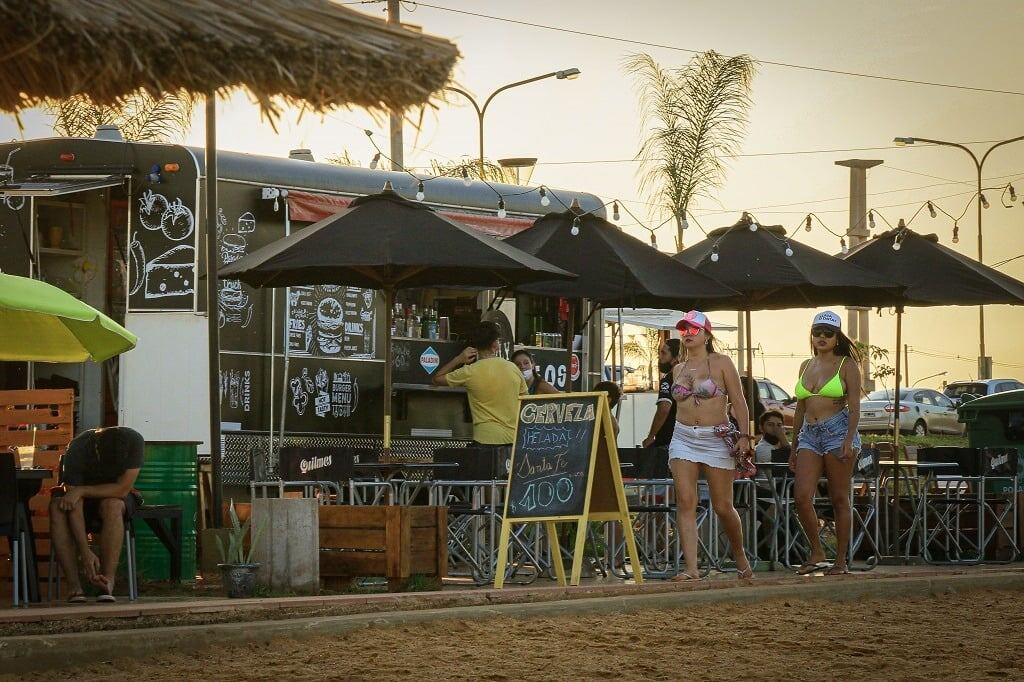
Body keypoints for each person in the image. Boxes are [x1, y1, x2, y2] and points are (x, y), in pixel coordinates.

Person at [668, 310, 754, 581]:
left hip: (715, 436)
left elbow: (739, 401)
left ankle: (739, 555)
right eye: (684, 329)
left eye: (694, 329)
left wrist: (743, 435)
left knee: (722, 505)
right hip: (683, 435)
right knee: (685, 501)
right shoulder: (677, 369)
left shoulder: (721, 362)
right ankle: (691, 568)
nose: (688, 334)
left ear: (707, 334)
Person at [790, 310, 863, 576]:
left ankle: (841, 560)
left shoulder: (846, 365)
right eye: (817, 332)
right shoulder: (805, 365)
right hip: (809, 433)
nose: (821, 337)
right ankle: (817, 552)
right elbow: (799, 408)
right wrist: (794, 444)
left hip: (838, 430)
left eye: (827, 333)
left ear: (837, 337)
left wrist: (848, 439)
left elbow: (855, 406)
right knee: (801, 496)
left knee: (839, 497)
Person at [50, 426, 144, 603]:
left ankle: (107, 581)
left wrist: (82, 490)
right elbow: (73, 502)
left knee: (113, 505)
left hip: (114, 495)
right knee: (57, 507)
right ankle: (74, 586)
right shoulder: (78, 448)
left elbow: (122, 489)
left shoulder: (135, 441)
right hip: (80, 500)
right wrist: (85, 551)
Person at [434, 321, 527, 445]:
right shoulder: (513, 368)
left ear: (475, 346)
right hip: (513, 439)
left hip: (484, 439)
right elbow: (525, 400)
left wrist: (458, 359)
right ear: (495, 344)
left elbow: (437, 379)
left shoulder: (469, 372)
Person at [642, 339, 681, 451]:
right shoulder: (690, 379)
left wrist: (650, 437)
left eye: (664, 353)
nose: (660, 357)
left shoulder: (668, 379)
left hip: (668, 440)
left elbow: (664, 409)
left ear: (676, 357)